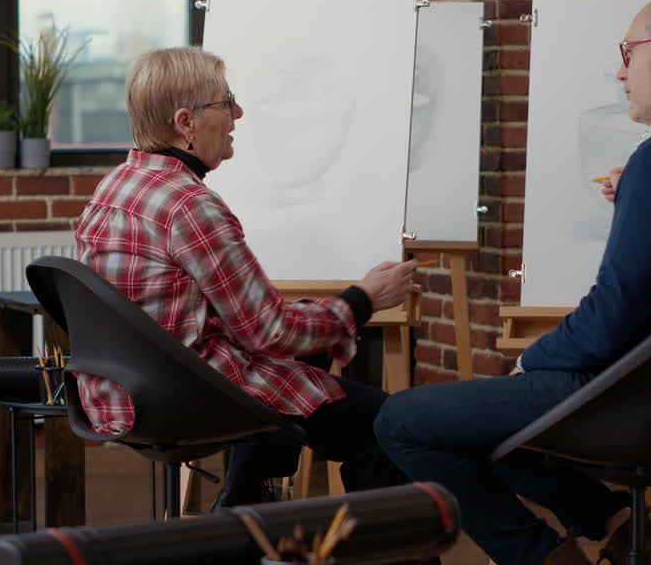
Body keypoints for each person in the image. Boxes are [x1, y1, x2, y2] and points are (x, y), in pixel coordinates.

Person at [374, 0, 651, 565]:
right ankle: (619, 527)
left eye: (627, 52)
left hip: (627, 389)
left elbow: (615, 313)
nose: (619, 70)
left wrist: (537, 356)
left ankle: (540, 557)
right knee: (476, 418)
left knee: (400, 421)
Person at [72, 46, 420, 506]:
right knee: (385, 425)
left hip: (119, 391)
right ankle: (257, 516)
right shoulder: (190, 205)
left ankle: (244, 503)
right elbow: (270, 331)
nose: (238, 112)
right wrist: (364, 300)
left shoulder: (116, 184)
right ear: (185, 122)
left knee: (305, 355)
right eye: (225, 102)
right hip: (183, 395)